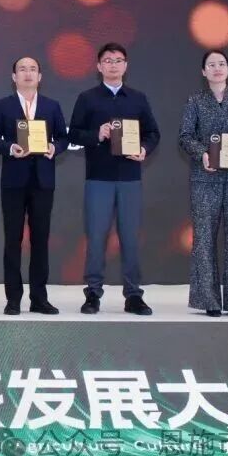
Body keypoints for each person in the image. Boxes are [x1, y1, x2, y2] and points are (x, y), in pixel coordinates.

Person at [68, 43, 160, 316]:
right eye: (107, 60)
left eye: (118, 60)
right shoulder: (87, 98)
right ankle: (93, 293)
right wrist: (97, 134)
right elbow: (73, 134)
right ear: (99, 66)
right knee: (96, 238)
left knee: (130, 238)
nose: (113, 65)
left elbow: (153, 133)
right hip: (98, 177)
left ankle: (133, 295)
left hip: (130, 178)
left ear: (126, 65)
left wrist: (143, 149)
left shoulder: (138, 98)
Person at [0, 56, 69, 316]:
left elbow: (64, 138)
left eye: (33, 69)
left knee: (40, 240)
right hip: (13, 181)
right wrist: (10, 147)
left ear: (40, 77)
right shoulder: (3, 105)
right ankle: (13, 299)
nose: (28, 73)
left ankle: (39, 298)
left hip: (43, 181)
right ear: (14, 77)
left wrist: (54, 147)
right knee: (13, 240)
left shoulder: (52, 106)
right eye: (22, 69)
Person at [178, 49, 228, 317]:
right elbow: (185, 136)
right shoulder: (195, 100)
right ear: (204, 71)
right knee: (203, 239)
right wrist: (202, 153)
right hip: (205, 177)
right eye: (211, 64)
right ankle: (209, 300)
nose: (217, 68)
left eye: (221, 63)